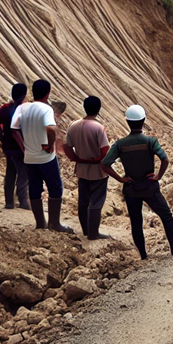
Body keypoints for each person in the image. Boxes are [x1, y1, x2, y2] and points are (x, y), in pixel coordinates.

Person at [101, 104, 173, 258]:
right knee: (166, 215)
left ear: (127, 122)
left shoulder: (120, 144)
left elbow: (104, 164)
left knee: (136, 222)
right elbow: (165, 160)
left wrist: (121, 179)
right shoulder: (150, 141)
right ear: (143, 121)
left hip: (131, 188)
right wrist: (158, 176)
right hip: (149, 187)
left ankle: (143, 255)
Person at [10, 79, 73, 233]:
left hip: (29, 157)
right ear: (48, 93)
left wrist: (23, 145)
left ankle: (40, 224)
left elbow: (13, 128)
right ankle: (54, 223)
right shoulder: (46, 109)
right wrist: (50, 144)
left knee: (35, 188)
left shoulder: (22, 107)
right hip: (45, 158)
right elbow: (51, 129)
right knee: (55, 188)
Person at [62, 96, 112, 240]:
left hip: (82, 169)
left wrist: (76, 158)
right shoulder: (98, 128)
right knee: (96, 201)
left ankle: (85, 230)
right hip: (97, 171)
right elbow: (105, 151)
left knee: (83, 201)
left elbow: (67, 146)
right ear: (98, 109)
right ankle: (93, 233)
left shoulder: (74, 125)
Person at [0, 83, 30, 210]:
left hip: (8, 146)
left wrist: (2, 138)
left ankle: (9, 202)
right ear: (24, 95)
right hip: (22, 146)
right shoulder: (25, 110)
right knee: (24, 174)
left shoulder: (5, 108)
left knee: (10, 173)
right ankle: (22, 200)